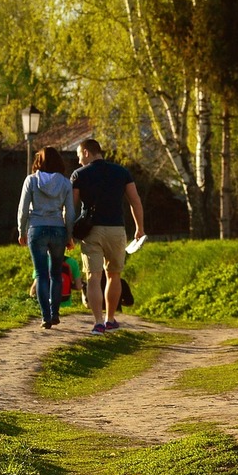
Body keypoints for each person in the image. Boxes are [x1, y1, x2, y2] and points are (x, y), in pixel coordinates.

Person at [70, 138, 144, 335]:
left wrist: (68, 234)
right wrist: (139, 228)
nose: (78, 161)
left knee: (93, 277)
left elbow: (70, 207)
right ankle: (110, 319)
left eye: (79, 156)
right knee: (114, 275)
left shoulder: (78, 175)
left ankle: (97, 323)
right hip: (116, 230)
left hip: (90, 231)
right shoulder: (121, 172)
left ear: (86, 152)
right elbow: (135, 201)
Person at [17, 146, 75, 329]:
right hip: (58, 230)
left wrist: (21, 231)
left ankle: (46, 317)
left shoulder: (31, 181)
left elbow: (23, 209)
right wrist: (70, 235)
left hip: (37, 228)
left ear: (38, 161)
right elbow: (70, 212)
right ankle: (55, 313)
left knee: (42, 275)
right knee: (56, 274)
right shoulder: (66, 183)